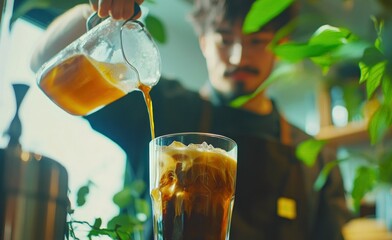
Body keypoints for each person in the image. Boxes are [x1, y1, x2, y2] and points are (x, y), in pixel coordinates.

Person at [30, 0, 352, 239]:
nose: (239, 56)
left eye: (256, 42)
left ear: (279, 47)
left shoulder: (315, 157)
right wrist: (96, 9)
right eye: (225, 39)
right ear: (203, 43)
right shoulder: (163, 106)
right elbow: (43, 62)